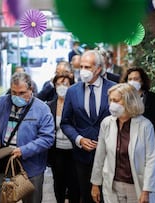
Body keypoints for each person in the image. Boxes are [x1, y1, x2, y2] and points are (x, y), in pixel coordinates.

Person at [0, 72, 55, 203]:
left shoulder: (42, 109)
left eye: (22, 93)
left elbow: (47, 138)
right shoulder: (3, 102)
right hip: (6, 163)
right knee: (3, 199)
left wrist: (23, 150)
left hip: (31, 168)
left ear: (31, 89)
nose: (17, 97)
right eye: (14, 92)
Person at [61, 50, 116, 203]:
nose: (83, 71)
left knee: (109, 197)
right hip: (82, 156)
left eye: (87, 67)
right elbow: (65, 122)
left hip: (109, 155)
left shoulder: (114, 89)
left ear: (98, 69)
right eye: (81, 67)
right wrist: (79, 139)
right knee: (86, 196)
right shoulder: (73, 91)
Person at [90, 83, 155, 203]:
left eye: (116, 100)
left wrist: (146, 190)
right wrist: (95, 184)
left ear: (129, 101)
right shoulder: (107, 123)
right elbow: (100, 155)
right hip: (112, 184)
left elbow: (151, 159)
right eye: (110, 100)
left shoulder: (145, 126)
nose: (112, 104)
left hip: (136, 185)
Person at [122, 67, 155, 188]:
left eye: (136, 79)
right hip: (126, 150)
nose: (132, 81)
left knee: (149, 184)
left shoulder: (153, 99)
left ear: (142, 81)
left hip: (150, 149)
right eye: (130, 79)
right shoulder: (121, 100)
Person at [47, 73, 80, 203]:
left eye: (65, 84)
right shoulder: (49, 106)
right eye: (59, 84)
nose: (61, 87)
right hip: (57, 150)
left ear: (71, 86)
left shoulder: (77, 105)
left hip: (74, 150)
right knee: (58, 181)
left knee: (74, 182)